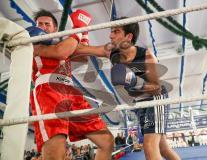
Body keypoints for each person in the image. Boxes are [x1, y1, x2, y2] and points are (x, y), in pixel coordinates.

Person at [74, 16, 180, 160]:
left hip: (156, 99)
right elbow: (82, 49)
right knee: (162, 147)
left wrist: (134, 81)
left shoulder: (146, 55)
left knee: (149, 146)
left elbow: (156, 87)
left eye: (116, 31)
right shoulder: (111, 51)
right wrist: (81, 31)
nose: (110, 35)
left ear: (128, 37)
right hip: (138, 103)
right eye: (111, 31)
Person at [28, 9, 114, 160]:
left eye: (47, 24)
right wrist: (78, 28)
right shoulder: (33, 43)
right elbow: (60, 52)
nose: (42, 27)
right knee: (56, 154)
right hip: (48, 90)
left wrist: (85, 34)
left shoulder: (65, 43)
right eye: (39, 24)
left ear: (55, 29)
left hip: (70, 91)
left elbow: (83, 57)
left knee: (107, 141)